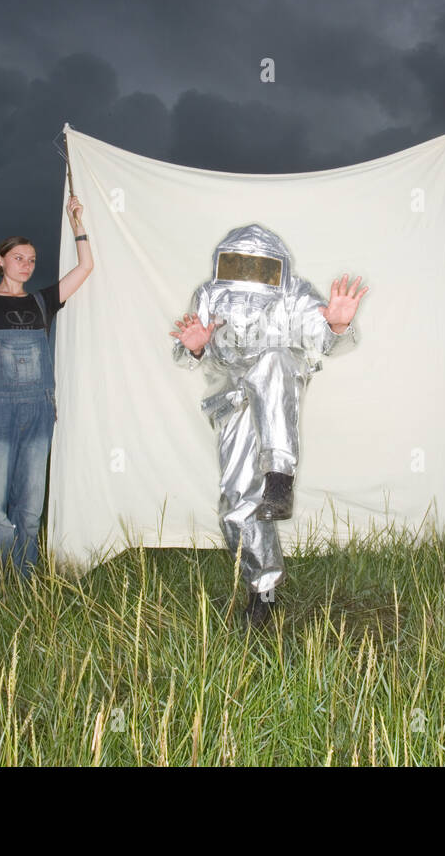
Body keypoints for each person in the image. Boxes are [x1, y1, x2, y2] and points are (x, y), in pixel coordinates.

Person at [170, 225, 367, 628]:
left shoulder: (293, 291)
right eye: (239, 264)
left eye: (257, 267)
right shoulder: (209, 294)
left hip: (277, 389)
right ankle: (263, 592)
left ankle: (279, 475)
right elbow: (190, 354)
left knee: (274, 359)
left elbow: (324, 336)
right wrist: (195, 345)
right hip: (232, 400)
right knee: (237, 501)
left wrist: (337, 325)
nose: (247, 274)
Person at [0, 195, 93, 580]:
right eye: (19, 258)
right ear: (0, 260)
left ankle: (25, 579)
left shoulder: (42, 302)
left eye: (31, 260)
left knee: (30, 506)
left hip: (38, 409)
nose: (27, 265)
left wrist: (76, 221)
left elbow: (86, 267)